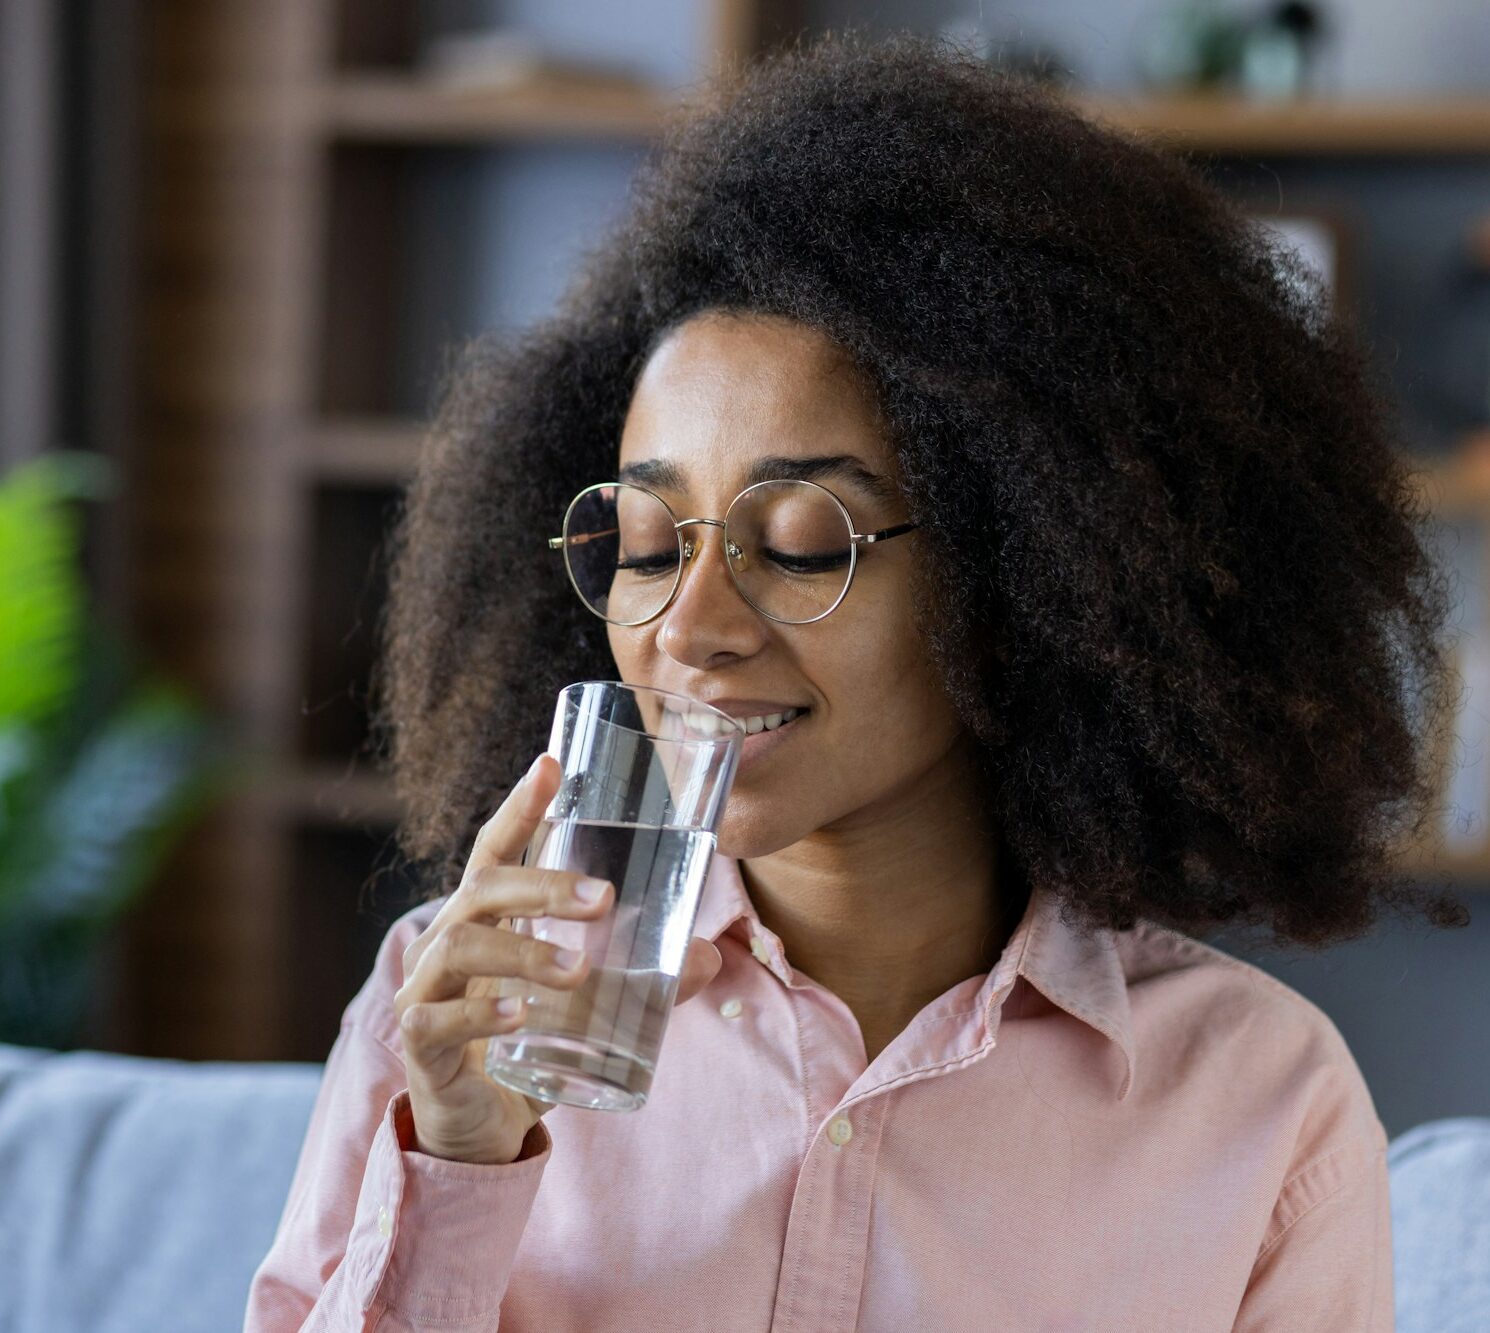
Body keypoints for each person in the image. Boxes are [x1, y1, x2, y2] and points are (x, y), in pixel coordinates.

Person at [244, 29, 1467, 1332]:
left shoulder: (1257, 1099)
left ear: (1023, 573)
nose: (692, 625)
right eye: (649, 546)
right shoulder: (453, 1011)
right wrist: (457, 1166)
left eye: (801, 543)